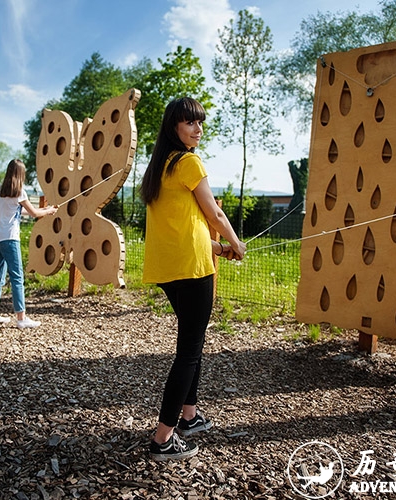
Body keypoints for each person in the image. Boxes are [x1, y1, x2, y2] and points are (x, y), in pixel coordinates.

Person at [140, 97, 247, 461]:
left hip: (173, 267)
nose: (197, 129)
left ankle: (189, 416)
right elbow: (213, 211)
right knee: (189, 352)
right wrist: (235, 242)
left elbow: (183, 225)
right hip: (191, 269)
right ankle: (163, 438)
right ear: (174, 127)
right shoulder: (188, 161)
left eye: (200, 123)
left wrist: (217, 249)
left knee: (193, 341)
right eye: (190, 123)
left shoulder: (160, 166)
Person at [0, 159, 57, 327]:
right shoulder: (20, 192)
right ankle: (21, 318)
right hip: (9, 238)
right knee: (17, 277)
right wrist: (48, 211)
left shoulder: (0, 191)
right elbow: (33, 213)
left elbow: (19, 210)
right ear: (20, 174)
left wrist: (45, 211)